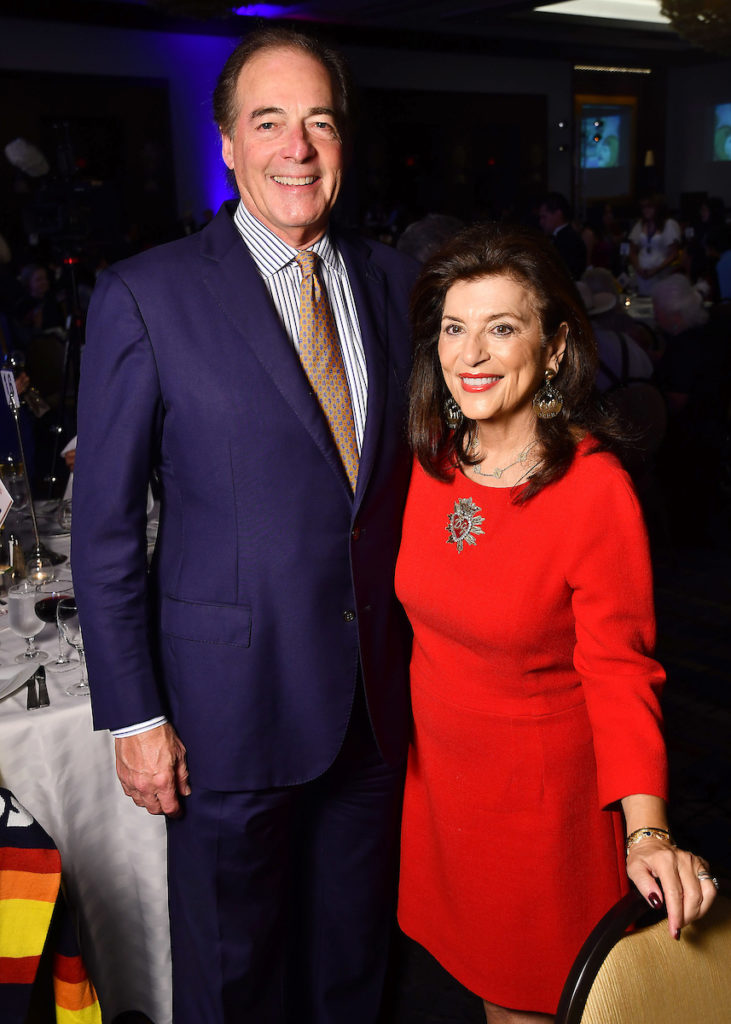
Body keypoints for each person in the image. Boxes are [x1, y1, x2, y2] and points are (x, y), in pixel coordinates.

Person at [72, 27, 418, 1024]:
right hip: (224, 715)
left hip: (375, 708)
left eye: (318, 122)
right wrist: (136, 717)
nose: (295, 148)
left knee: (353, 970)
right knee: (233, 981)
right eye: (268, 122)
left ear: (342, 141)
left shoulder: (399, 284)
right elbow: (104, 531)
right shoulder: (147, 294)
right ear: (226, 143)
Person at [395, 222, 717, 1024]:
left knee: (525, 1007)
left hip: (536, 815)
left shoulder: (591, 490)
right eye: (454, 329)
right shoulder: (431, 458)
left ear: (553, 349)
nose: (471, 354)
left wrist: (646, 833)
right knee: (479, 992)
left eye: (502, 328)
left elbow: (620, 671)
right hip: (441, 797)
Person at [628, 195, 681, 296]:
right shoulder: (640, 224)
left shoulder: (668, 224)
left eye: (649, 207)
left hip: (661, 274)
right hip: (642, 275)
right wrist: (638, 268)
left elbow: (674, 254)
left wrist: (656, 270)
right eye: (644, 207)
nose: (646, 210)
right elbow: (632, 251)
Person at [537, 192, 587, 280]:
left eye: (544, 217)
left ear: (558, 214)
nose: (541, 222)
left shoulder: (570, 240)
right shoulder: (560, 237)